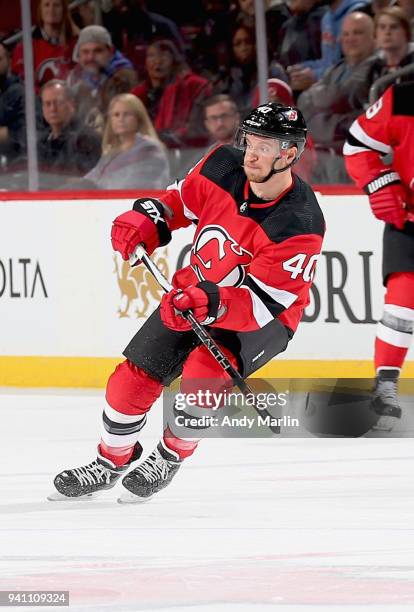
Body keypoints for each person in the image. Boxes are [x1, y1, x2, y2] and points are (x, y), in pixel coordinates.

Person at [49, 102, 325, 503]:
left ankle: (170, 454)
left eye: (265, 146)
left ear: (289, 153)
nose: (251, 152)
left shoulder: (300, 222)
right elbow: (179, 203)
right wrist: (150, 220)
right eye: (250, 140)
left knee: (202, 378)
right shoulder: (221, 164)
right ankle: (111, 461)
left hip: (262, 316)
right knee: (128, 384)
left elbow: (264, 303)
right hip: (192, 295)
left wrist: (208, 301)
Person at [344, 81, 414, 431]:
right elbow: (357, 144)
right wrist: (378, 181)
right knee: (402, 303)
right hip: (411, 222)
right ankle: (386, 384)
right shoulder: (404, 98)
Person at [297, 11, 376, 181]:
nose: (350, 38)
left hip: (356, 155)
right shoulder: (337, 68)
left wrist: (320, 119)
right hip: (325, 156)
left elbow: (345, 94)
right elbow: (304, 100)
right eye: (346, 34)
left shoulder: (375, 66)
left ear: (373, 36)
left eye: (358, 32)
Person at [85, 93, 169, 189]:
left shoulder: (150, 150)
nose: (121, 119)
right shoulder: (111, 152)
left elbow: (133, 185)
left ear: (138, 118)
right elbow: (92, 178)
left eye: (127, 114)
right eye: (116, 115)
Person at [287, 0, 370, 93]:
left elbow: (351, 65)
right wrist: (302, 67)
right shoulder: (327, 17)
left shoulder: (358, 14)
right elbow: (327, 62)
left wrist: (315, 75)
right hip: (330, 85)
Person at [67, 25, 137, 131]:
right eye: (85, 52)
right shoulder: (76, 84)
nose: (91, 57)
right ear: (78, 55)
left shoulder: (123, 79)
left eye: (97, 51)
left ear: (110, 52)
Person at [37, 79, 101, 183]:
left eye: (58, 102)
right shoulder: (42, 142)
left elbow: (81, 181)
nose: (53, 109)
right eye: (47, 104)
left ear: (72, 104)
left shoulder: (86, 139)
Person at [12, 0, 78, 91]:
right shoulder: (25, 48)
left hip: (70, 99)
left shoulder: (76, 43)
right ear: (40, 11)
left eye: (56, 5)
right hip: (39, 101)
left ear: (64, 10)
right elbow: (22, 83)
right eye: (47, 5)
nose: (51, 9)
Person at [0, 42, 25, 165]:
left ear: (9, 61)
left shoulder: (20, 94)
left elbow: (31, 136)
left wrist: (6, 134)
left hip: (12, 170)